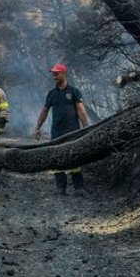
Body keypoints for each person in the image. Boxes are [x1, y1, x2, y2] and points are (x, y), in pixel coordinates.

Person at [34, 63, 90, 195]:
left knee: (75, 158)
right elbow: (44, 111)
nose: (54, 75)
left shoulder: (74, 91)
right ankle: (60, 188)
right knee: (56, 159)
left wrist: (86, 128)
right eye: (53, 73)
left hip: (73, 131)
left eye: (56, 73)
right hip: (57, 132)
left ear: (64, 74)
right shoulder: (51, 94)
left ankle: (79, 188)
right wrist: (37, 127)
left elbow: (81, 111)